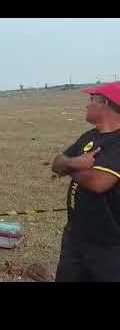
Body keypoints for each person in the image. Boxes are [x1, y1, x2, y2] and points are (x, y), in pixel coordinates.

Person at [52, 82, 120, 282]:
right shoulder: (89, 137)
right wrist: (77, 163)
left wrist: (69, 168)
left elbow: (98, 183)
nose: (87, 105)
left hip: (109, 244)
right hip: (76, 235)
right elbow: (56, 163)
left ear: (105, 104)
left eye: (92, 99)